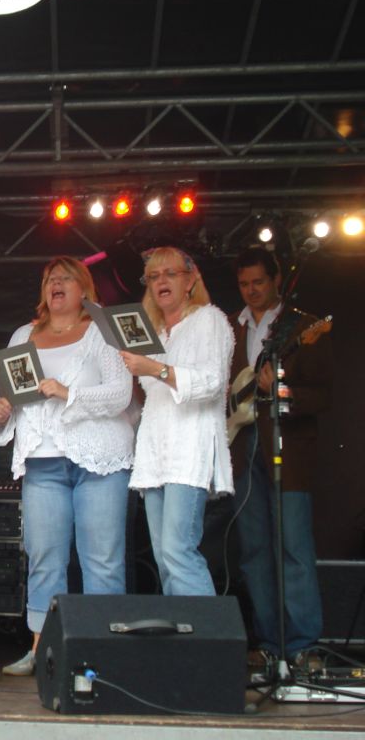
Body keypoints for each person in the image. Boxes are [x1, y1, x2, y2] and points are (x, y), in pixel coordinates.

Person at [0, 257, 134, 677]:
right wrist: (2, 411)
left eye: (66, 278)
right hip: (43, 461)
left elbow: (121, 394)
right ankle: (42, 648)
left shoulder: (103, 330)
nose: (56, 283)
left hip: (98, 459)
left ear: (84, 289)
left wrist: (67, 392)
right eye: (50, 279)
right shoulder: (23, 335)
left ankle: (103, 652)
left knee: (102, 559)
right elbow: (13, 396)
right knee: (43, 556)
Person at [229, 247, 332, 665]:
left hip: (286, 451)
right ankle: (270, 645)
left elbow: (322, 396)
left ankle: (303, 646)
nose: (251, 290)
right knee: (254, 552)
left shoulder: (303, 327)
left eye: (258, 282)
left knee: (293, 549)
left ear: (276, 280)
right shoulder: (231, 327)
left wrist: (280, 391)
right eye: (244, 284)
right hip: (242, 447)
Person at [122, 247, 234, 597]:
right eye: (153, 276)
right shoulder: (153, 331)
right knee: (163, 556)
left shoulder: (209, 319)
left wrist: (156, 368)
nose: (161, 281)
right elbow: (150, 391)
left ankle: (207, 631)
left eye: (170, 273)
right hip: (156, 450)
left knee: (178, 550)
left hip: (189, 448)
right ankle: (184, 628)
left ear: (190, 279)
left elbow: (212, 382)